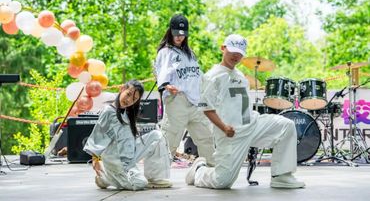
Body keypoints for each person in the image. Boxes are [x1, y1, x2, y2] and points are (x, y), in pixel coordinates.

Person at [185, 34, 305, 189]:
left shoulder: (240, 75)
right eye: (232, 51)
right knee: (222, 182)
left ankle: (281, 176)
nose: (236, 55)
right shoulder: (212, 76)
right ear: (223, 48)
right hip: (232, 133)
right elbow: (207, 108)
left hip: (253, 125)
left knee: (286, 125)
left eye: (240, 53)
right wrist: (224, 128)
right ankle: (199, 170)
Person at [83, 80, 172, 190]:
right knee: (140, 183)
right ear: (122, 89)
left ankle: (154, 178)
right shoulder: (108, 112)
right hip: (116, 161)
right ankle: (106, 177)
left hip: (129, 155)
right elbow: (98, 136)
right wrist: (95, 160)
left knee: (157, 136)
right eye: (128, 94)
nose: (129, 100)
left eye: (134, 99)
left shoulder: (126, 112)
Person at [154, 14, 215, 166]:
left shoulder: (190, 53)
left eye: (183, 34)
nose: (179, 37)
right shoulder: (165, 52)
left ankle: (214, 169)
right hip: (177, 100)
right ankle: (159, 173)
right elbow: (161, 72)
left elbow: (197, 74)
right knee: (170, 139)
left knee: (206, 137)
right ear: (170, 31)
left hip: (195, 101)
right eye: (176, 34)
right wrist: (166, 85)